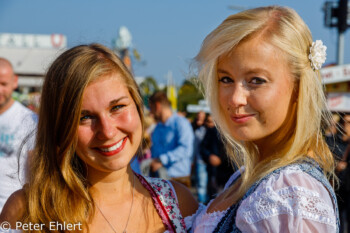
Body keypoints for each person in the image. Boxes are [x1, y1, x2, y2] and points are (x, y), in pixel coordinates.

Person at [0, 44, 198, 233]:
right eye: (84, 117)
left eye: (117, 107)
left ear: (137, 104)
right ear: (60, 128)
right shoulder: (27, 211)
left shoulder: (178, 203)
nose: (108, 131)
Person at [190, 6, 339, 232]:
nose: (235, 99)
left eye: (256, 80)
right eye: (226, 79)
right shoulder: (250, 177)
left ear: (299, 87)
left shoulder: (289, 192)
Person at [0, 58, 37, 213]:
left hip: (12, 215)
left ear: (15, 82)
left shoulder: (30, 121)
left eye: (3, 84)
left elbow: (36, 177)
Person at [149, 91, 194, 188]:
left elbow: (186, 149)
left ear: (157, 106)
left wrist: (161, 160)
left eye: (151, 108)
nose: (150, 112)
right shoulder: (157, 128)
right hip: (160, 179)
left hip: (178, 180)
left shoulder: (181, 123)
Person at [200, 114, 236, 200]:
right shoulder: (212, 131)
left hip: (232, 172)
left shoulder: (236, 132)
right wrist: (209, 156)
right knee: (213, 198)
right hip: (214, 171)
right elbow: (202, 148)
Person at [191, 111, 209, 203]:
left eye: (202, 117)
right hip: (200, 160)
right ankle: (202, 204)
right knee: (201, 184)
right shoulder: (195, 129)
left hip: (207, 160)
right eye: (198, 116)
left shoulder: (208, 129)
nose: (200, 118)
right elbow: (194, 146)